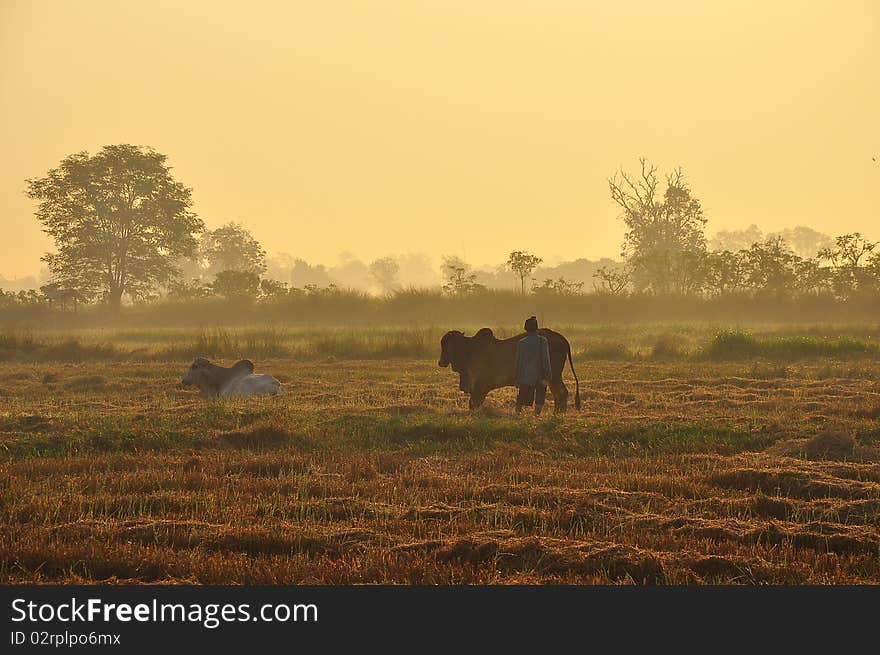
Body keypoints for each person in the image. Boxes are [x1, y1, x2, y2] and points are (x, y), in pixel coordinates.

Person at [514, 315, 552, 415]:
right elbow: (546, 360)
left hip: (525, 377)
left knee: (521, 399)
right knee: (540, 397)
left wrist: (517, 378)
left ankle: (518, 416)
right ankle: (536, 416)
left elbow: (518, 362)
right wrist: (548, 375)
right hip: (540, 376)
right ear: (536, 328)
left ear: (525, 328)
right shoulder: (542, 341)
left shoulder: (521, 343)